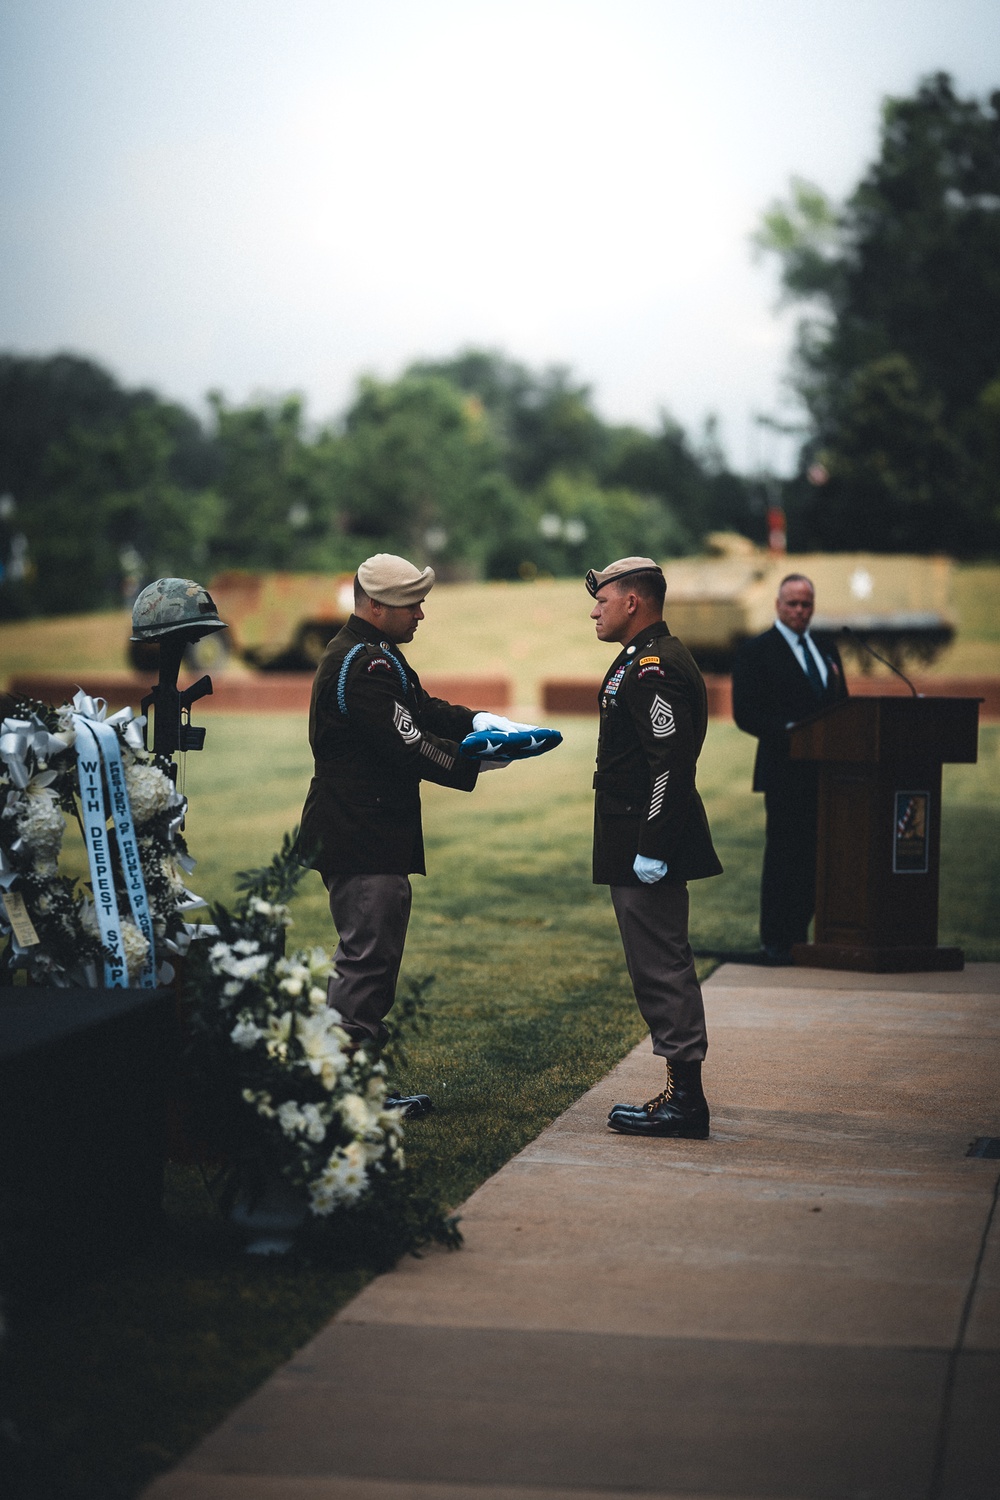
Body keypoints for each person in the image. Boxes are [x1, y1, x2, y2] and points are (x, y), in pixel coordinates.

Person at [298, 553, 518, 1115]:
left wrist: (476, 722)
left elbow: (420, 709)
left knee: (370, 960)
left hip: (361, 831)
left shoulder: (373, 654)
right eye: (411, 603)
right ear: (376, 606)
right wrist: (471, 762)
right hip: (362, 834)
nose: (421, 612)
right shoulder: (364, 664)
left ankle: (353, 1088)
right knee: (367, 961)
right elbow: (407, 741)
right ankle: (346, 1097)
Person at [587, 557, 722, 1139]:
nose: (595, 609)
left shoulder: (652, 667)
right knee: (657, 965)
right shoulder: (644, 658)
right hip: (639, 835)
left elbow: (669, 762)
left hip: (647, 840)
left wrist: (652, 845)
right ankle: (680, 1092)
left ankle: (685, 1103)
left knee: (662, 966)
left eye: (603, 599)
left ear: (633, 601)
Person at [731, 572, 848, 965]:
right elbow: (745, 713)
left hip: (829, 773)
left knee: (821, 856)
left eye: (806, 604)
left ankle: (811, 935)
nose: (800, 611)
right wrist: (789, 732)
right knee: (785, 857)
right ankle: (778, 940)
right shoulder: (757, 651)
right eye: (793, 604)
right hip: (784, 771)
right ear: (778, 605)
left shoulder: (826, 647)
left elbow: (842, 704)